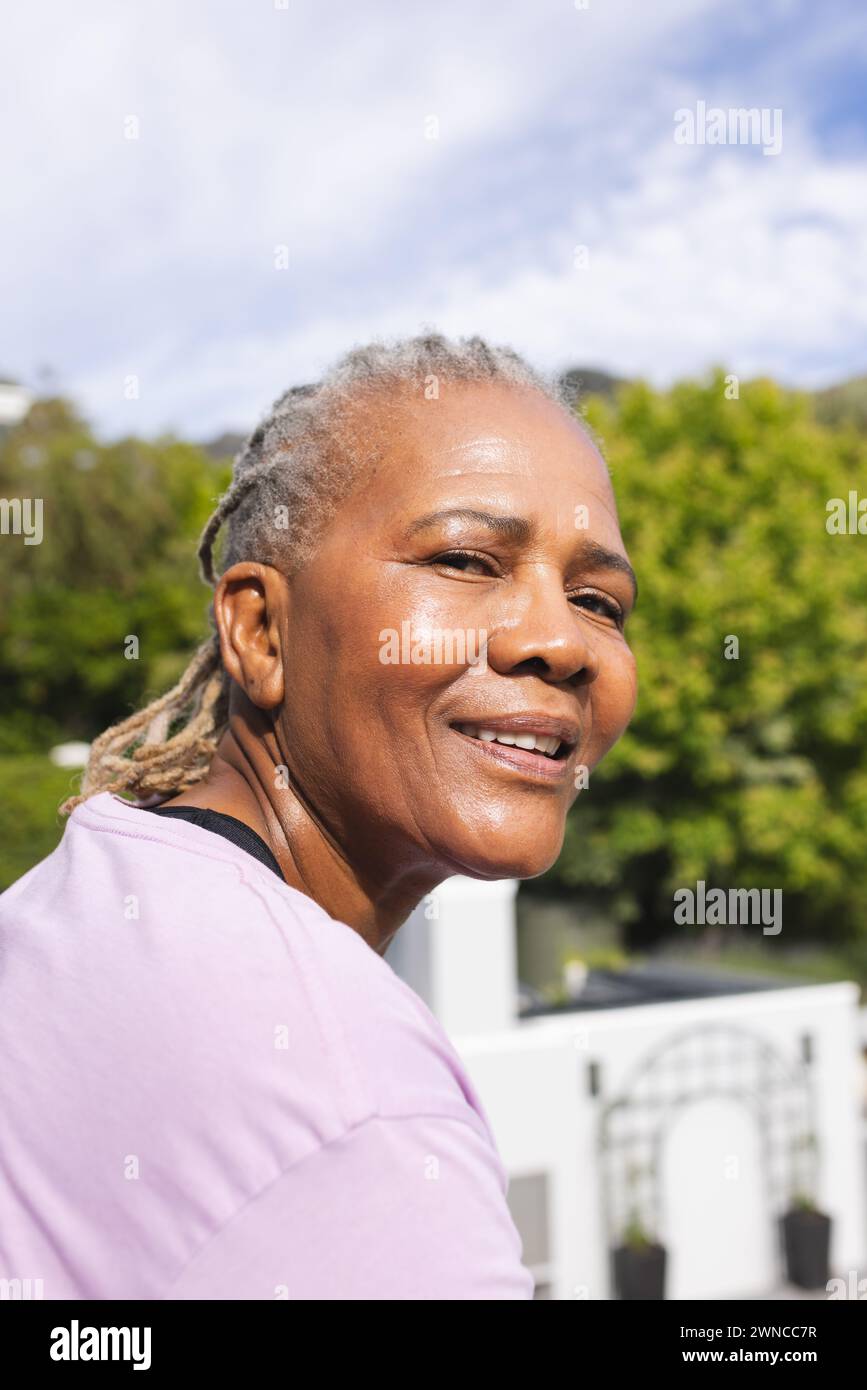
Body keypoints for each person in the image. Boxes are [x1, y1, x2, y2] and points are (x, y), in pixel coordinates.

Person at [0, 333, 637, 1299]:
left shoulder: (72, 907)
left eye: (598, 600)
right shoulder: (359, 1117)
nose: (560, 640)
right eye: (466, 560)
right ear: (260, 630)